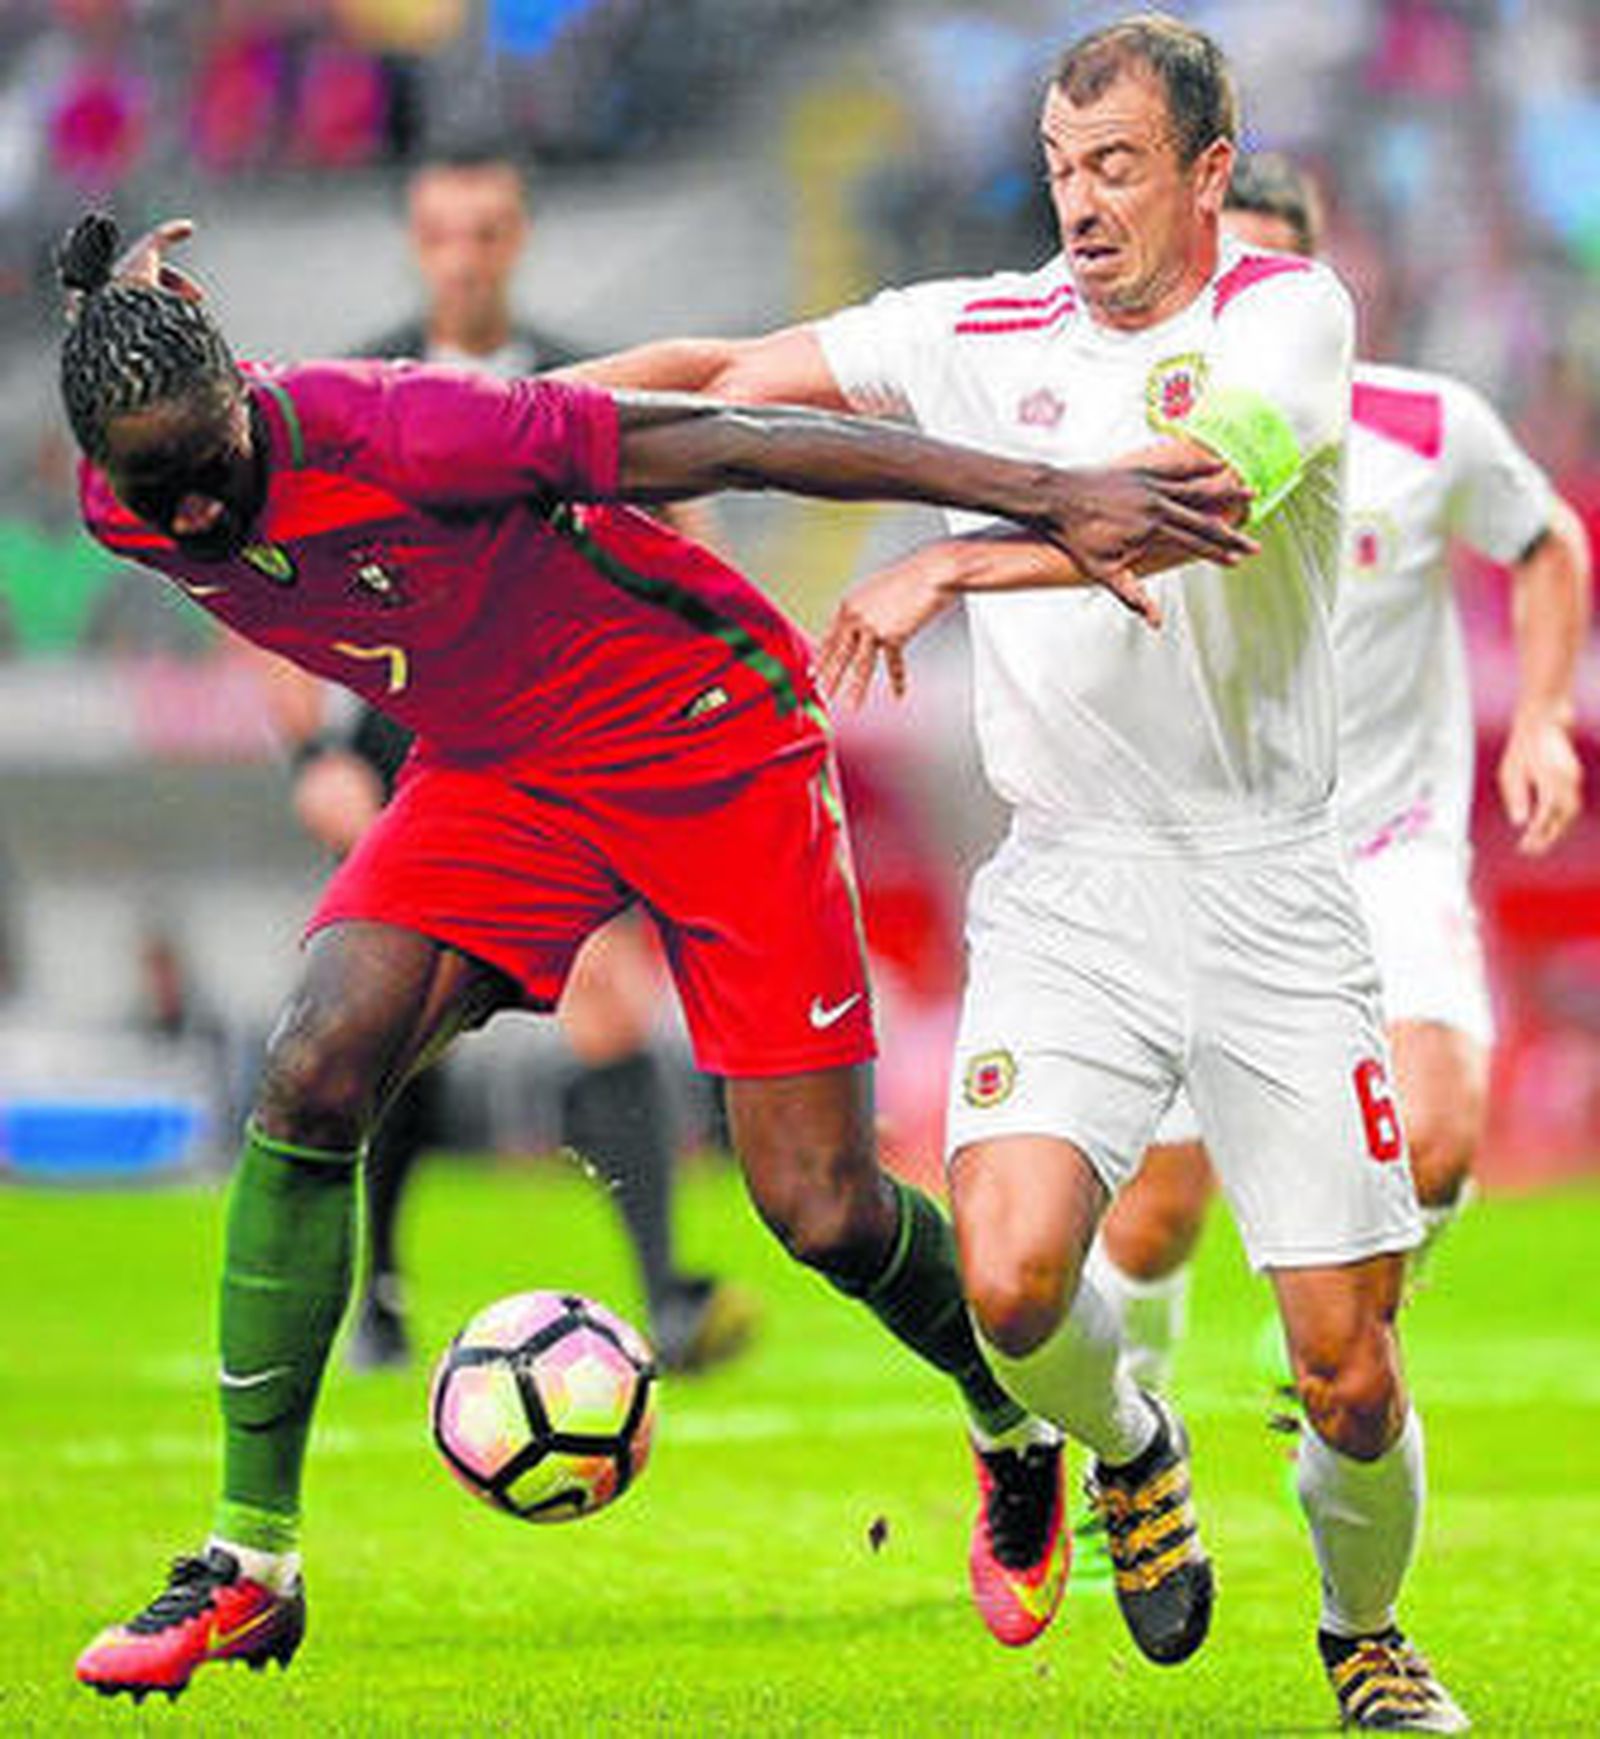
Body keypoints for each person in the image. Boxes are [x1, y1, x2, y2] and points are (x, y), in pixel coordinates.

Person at [60, 208, 1252, 1703]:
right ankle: (251, 1564)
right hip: (498, 771)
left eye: (208, 472)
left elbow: (736, 437)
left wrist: (1046, 497)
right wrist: (120, 298)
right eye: (150, 488)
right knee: (310, 1072)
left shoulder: (411, 429)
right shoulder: (137, 478)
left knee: (815, 1206)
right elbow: (148, 384)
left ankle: (1036, 1422)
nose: (185, 520)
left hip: (706, 736)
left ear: (246, 399)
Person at [573, 17, 1471, 1729]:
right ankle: (1130, 1440)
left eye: (1120, 164)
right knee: (1007, 1277)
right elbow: (731, 371)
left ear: (1211, 171)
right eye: (1063, 166)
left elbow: (1195, 497)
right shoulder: (973, 326)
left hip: (1274, 882)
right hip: (1074, 881)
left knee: (1351, 1373)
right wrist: (468, 423)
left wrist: (950, 565)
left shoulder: (1285, 316)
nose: (1082, 201)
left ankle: (1364, 1631)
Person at [1085, 152, 1590, 1421]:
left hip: (1384, 843)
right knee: (1149, 1221)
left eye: (1270, 276)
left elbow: (1543, 542)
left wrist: (1539, 715)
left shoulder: (1428, 426)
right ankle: (1122, 1447)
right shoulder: (1138, 437)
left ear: (1319, 284)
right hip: (1203, 858)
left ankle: (1344, 1326)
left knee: (1435, 1138)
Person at [285, 145, 755, 1376]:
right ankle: (377, 1288)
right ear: (416, 237)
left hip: (566, 745)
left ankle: (666, 1289)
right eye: (445, 232)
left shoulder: (579, 379)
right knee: (394, 1017)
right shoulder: (354, 390)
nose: (466, 254)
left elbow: (683, 529)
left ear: (518, 236)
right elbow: (288, 586)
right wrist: (315, 755)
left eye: (487, 231)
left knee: (607, 996)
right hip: (400, 745)